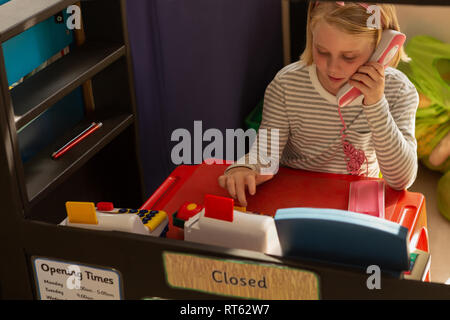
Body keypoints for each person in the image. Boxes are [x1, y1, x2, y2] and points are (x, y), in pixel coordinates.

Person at [218, 1, 419, 206]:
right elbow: (265, 154)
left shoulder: (399, 91)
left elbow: (401, 180)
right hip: (296, 196)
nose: (332, 68)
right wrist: (244, 169)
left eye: (349, 57)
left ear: (382, 47)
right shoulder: (286, 85)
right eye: (322, 51)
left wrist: (376, 105)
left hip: (357, 200)